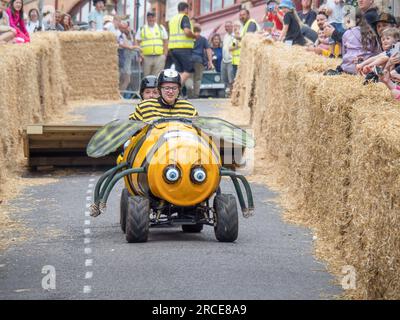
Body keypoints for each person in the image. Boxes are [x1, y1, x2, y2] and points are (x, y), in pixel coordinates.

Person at [129, 69, 198, 122]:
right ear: (159, 90)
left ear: (179, 90)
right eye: (166, 88)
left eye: (174, 88)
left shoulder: (189, 108)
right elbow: (131, 130)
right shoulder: (144, 107)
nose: (170, 91)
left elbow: (199, 132)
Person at [325, 9, 380, 75]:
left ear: (357, 20)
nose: (345, 24)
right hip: (368, 67)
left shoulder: (347, 33)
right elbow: (377, 51)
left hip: (351, 68)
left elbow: (344, 53)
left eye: (348, 21)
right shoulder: (371, 33)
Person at [168, 2, 196, 86]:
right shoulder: (184, 17)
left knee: (180, 71)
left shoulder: (173, 19)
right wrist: (194, 36)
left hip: (173, 49)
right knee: (188, 70)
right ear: (186, 9)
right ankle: (174, 87)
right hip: (183, 49)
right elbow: (187, 32)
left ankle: (176, 93)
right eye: (189, 9)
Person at [136, 12, 168, 77]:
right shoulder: (142, 28)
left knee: (157, 77)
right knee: (146, 77)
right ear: (147, 18)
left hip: (159, 57)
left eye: (152, 17)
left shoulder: (161, 28)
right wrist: (140, 54)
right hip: (146, 57)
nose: (151, 19)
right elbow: (137, 42)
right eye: (149, 17)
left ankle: (155, 87)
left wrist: (165, 55)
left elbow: (166, 41)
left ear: (155, 18)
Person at [231, 9, 260, 78]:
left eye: (243, 15)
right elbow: (231, 47)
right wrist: (236, 41)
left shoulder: (251, 23)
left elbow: (248, 37)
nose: (241, 17)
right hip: (237, 61)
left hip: (251, 55)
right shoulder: (235, 35)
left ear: (248, 15)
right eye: (240, 15)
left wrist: (238, 39)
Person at [190, 24, 213, 99]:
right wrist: (210, 61)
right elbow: (208, 50)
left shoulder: (188, 38)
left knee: (189, 77)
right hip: (199, 60)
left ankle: (189, 92)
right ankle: (195, 94)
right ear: (200, 31)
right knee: (198, 78)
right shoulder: (203, 39)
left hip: (188, 60)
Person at [221, 21, 234, 96]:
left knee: (231, 78)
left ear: (232, 27)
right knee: (224, 77)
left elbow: (235, 45)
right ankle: (228, 91)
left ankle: (232, 93)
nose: (227, 28)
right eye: (226, 26)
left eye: (228, 26)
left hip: (231, 60)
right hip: (224, 60)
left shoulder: (234, 36)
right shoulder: (225, 36)